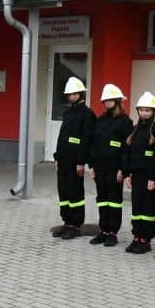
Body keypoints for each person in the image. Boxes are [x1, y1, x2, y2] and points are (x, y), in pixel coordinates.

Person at [88, 84, 133, 247]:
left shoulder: (125, 122)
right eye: (105, 100)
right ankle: (104, 230)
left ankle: (113, 232)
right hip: (100, 167)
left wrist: (123, 170)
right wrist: (91, 166)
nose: (107, 103)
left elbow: (126, 149)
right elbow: (93, 143)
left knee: (114, 200)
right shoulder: (101, 120)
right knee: (102, 199)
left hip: (115, 169)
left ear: (117, 101)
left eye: (110, 100)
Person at [53, 77, 96, 240]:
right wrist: (57, 158)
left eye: (74, 94)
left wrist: (81, 162)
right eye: (69, 94)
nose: (71, 96)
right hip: (63, 161)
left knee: (75, 193)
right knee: (63, 192)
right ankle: (67, 222)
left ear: (81, 94)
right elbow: (61, 137)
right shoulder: (68, 112)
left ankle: (76, 225)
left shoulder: (88, 114)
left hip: (75, 162)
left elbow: (86, 140)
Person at [123, 92, 155, 254]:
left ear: (153, 112)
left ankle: (146, 240)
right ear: (138, 111)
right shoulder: (135, 130)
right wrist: (127, 174)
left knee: (148, 209)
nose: (145, 113)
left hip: (149, 178)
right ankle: (137, 237)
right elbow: (129, 153)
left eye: (148, 110)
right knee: (137, 208)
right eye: (142, 110)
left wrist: (153, 178)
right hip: (136, 176)